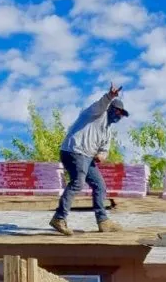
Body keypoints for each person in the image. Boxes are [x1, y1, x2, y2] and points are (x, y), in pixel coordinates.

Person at [50, 82, 130, 236]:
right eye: (118, 112)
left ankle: (103, 222)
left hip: (87, 157)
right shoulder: (96, 113)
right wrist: (110, 96)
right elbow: (102, 104)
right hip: (73, 151)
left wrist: (102, 156)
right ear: (112, 109)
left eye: (122, 115)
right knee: (77, 183)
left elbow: (104, 150)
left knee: (100, 185)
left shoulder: (107, 131)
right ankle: (59, 218)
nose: (119, 117)